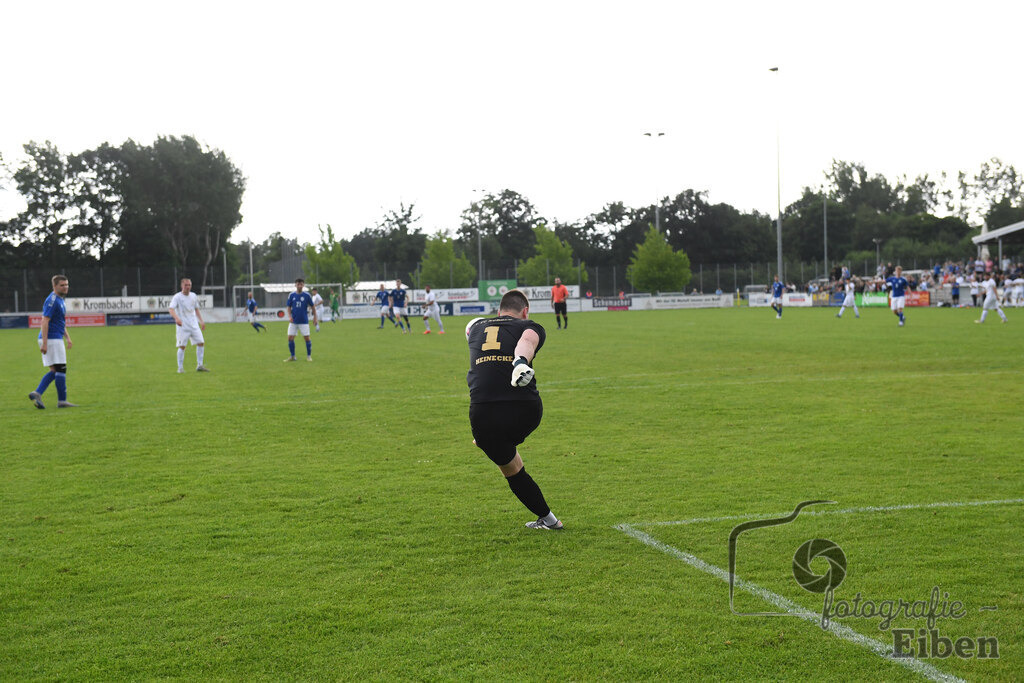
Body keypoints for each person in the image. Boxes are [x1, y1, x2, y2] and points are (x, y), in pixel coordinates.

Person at [466, 289, 562, 530]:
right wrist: (519, 361)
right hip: (525, 410)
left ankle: (549, 519)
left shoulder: (477, 328)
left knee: (510, 467)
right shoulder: (530, 325)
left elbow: (471, 329)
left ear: (498, 311)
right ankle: (549, 521)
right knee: (508, 455)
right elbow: (526, 341)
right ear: (525, 311)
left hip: (483, 414)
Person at [28, 274, 78, 408]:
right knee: (61, 369)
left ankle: (37, 393)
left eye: (67, 284)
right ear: (55, 286)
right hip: (51, 339)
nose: (65, 287)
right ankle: (62, 401)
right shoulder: (53, 300)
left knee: (56, 370)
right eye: (62, 285)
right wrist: (44, 342)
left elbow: (60, 321)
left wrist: (67, 337)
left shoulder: (60, 300)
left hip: (55, 338)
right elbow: (45, 321)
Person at [169, 277, 210, 372]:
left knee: (201, 342)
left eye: (189, 285)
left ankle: (199, 365)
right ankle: (180, 368)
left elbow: (196, 309)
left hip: (194, 325)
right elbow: (171, 309)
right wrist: (177, 318)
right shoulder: (177, 297)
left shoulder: (193, 296)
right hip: (183, 326)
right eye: (186, 285)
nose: (188, 287)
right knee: (182, 346)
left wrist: (201, 321)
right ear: (182, 286)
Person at [285, 278, 317, 361]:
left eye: (301, 284)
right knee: (290, 338)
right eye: (298, 284)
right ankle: (293, 356)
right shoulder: (291, 295)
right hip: (293, 321)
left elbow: (313, 307)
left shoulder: (307, 295)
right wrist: (289, 316)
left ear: (303, 285)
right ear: (295, 285)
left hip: (303, 321)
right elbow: (288, 307)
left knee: (307, 338)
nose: (299, 285)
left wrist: (315, 318)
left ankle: (309, 356)